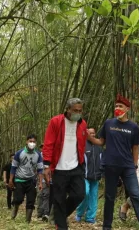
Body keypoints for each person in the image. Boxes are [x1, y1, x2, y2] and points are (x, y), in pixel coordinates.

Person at [87, 94, 139, 230]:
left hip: (128, 166)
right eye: (116, 106)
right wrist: (87, 136)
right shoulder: (108, 123)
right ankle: (107, 227)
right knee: (110, 197)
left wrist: (134, 165)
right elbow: (101, 141)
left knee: (136, 195)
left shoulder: (133, 127)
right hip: (110, 165)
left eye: (120, 106)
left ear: (127, 109)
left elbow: (135, 147)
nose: (117, 108)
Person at [42, 98, 87, 230]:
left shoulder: (82, 124)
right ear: (68, 109)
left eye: (80, 110)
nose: (78, 113)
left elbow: (82, 144)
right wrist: (46, 166)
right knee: (59, 200)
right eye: (75, 110)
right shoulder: (56, 121)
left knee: (79, 194)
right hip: (59, 168)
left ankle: (59, 216)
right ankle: (60, 224)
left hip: (75, 166)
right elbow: (48, 144)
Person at [9, 134, 43, 223]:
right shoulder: (19, 153)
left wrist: (40, 182)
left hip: (31, 181)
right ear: (26, 142)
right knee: (18, 199)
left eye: (34, 142)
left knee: (31, 201)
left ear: (36, 143)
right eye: (30, 141)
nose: (32, 143)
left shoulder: (38, 155)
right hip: (19, 180)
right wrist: (10, 180)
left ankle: (28, 220)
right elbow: (13, 167)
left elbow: (40, 169)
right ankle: (13, 214)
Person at [75, 127, 103, 224]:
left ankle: (90, 217)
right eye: (90, 133)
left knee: (93, 197)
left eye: (93, 133)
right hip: (84, 176)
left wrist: (102, 173)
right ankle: (79, 212)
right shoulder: (82, 145)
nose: (92, 135)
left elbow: (102, 160)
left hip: (96, 176)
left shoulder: (99, 146)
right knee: (85, 193)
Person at [37, 144, 50, 221]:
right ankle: (40, 213)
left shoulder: (48, 157)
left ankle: (45, 213)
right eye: (42, 147)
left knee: (45, 196)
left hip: (47, 180)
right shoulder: (38, 157)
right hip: (40, 179)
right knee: (40, 196)